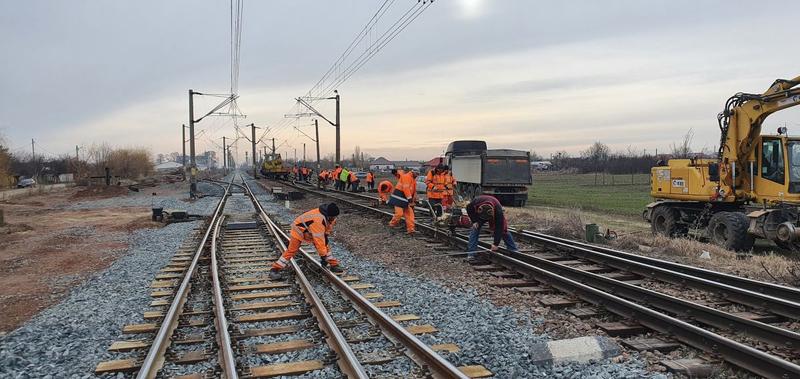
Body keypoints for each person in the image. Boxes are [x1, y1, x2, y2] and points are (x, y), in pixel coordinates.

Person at [270, 203, 344, 279]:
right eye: (333, 217)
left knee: (325, 245)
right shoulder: (318, 220)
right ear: (328, 215)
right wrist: (323, 256)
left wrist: (326, 235)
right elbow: (319, 241)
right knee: (292, 250)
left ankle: (334, 265)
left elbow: (328, 226)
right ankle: (275, 269)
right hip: (298, 231)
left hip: (309, 231)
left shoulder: (330, 216)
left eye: (335, 217)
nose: (334, 218)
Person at [465, 195, 518, 262]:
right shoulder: (475, 203)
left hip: (493, 214)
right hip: (480, 216)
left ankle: (513, 250)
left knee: (504, 230)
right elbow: (468, 209)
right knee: (475, 228)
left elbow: (499, 228)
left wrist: (495, 244)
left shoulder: (498, 211)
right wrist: (474, 221)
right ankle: (471, 253)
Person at [388, 168, 416, 235]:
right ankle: (392, 225)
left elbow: (413, 191)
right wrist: (410, 199)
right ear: (412, 172)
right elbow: (406, 188)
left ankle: (411, 229)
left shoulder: (413, 179)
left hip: (405, 198)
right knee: (399, 214)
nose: (417, 175)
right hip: (399, 198)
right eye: (417, 173)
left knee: (410, 214)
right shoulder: (406, 177)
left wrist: (414, 199)